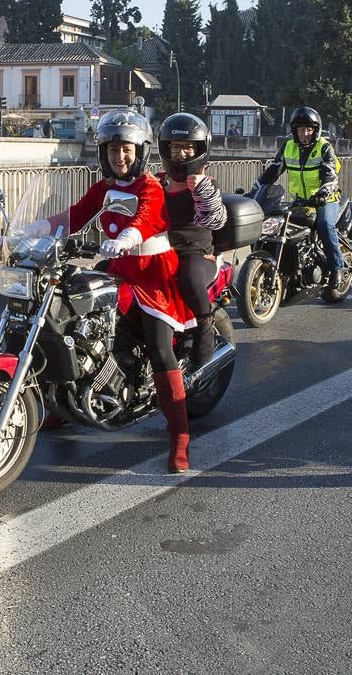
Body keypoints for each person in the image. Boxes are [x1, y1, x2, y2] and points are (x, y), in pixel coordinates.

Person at [46, 109, 196, 472]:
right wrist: (36, 231)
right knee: (72, 322)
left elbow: (147, 216)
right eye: (113, 150)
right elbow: (75, 216)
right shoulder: (103, 188)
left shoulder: (150, 187)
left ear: (140, 151)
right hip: (120, 271)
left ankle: (179, 435)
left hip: (153, 275)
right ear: (103, 153)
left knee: (160, 347)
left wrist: (128, 236)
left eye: (126, 149)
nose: (120, 156)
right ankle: (64, 405)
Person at [157, 112, 227, 369]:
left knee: (189, 278)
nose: (182, 154)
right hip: (159, 249)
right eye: (176, 148)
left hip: (195, 253)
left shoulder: (207, 184)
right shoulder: (156, 182)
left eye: (188, 148)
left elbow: (215, 220)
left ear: (199, 150)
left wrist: (201, 190)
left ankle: (204, 327)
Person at [257, 106, 348, 291]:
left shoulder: (324, 148)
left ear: (315, 130)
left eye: (308, 129)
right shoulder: (288, 147)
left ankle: (337, 267)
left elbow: (330, 174)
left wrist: (323, 193)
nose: (304, 133)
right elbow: (273, 171)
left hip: (326, 199)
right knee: (274, 224)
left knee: (324, 224)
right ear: (294, 131)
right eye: (300, 130)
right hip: (300, 200)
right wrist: (255, 190)